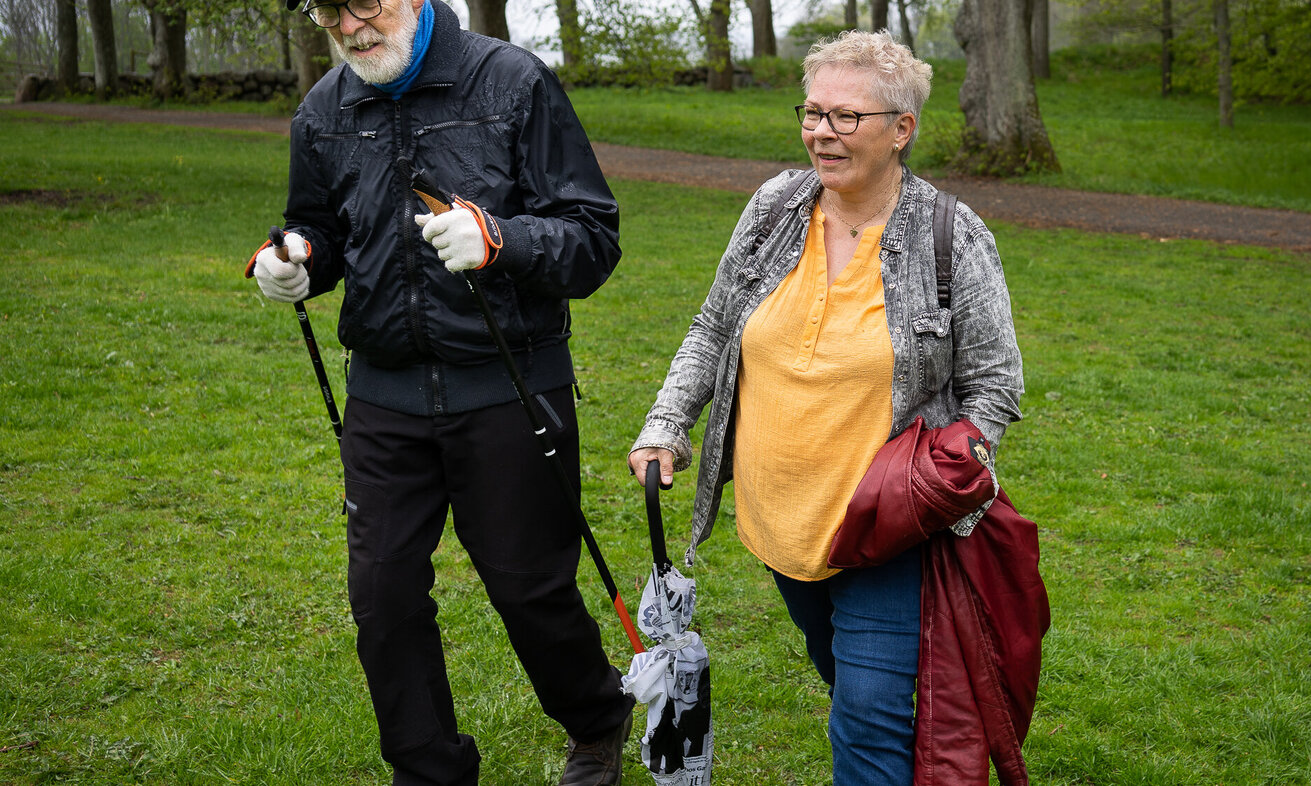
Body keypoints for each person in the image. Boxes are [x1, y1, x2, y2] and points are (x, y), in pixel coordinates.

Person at [247, 1, 634, 784]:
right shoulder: (323, 109)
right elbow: (319, 228)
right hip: (384, 394)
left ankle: (597, 720)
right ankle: (428, 770)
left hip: (510, 384)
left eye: (365, 3)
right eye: (328, 11)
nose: (351, 26)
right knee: (382, 595)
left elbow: (592, 239)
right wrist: (293, 260)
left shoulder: (512, 81)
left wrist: (501, 239)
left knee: (528, 587)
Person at [628, 30, 1023, 783]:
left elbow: (996, 382)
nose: (822, 132)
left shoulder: (952, 235)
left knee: (865, 721)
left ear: (901, 130)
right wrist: (666, 424)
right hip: (784, 521)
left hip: (889, 528)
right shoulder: (776, 206)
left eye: (846, 117)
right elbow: (715, 325)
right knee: (854, 688)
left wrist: (948, 472)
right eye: (812, 113)